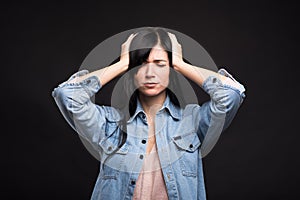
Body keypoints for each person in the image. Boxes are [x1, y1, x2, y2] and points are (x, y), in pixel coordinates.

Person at [52, 27, 245, 200]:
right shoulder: (109, 123)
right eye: (141, 64)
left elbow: (231, 94)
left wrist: (179, 63)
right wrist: (121, 64)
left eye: (160, 63)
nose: (150, 73)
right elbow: (67, 95)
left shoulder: (192, 121)